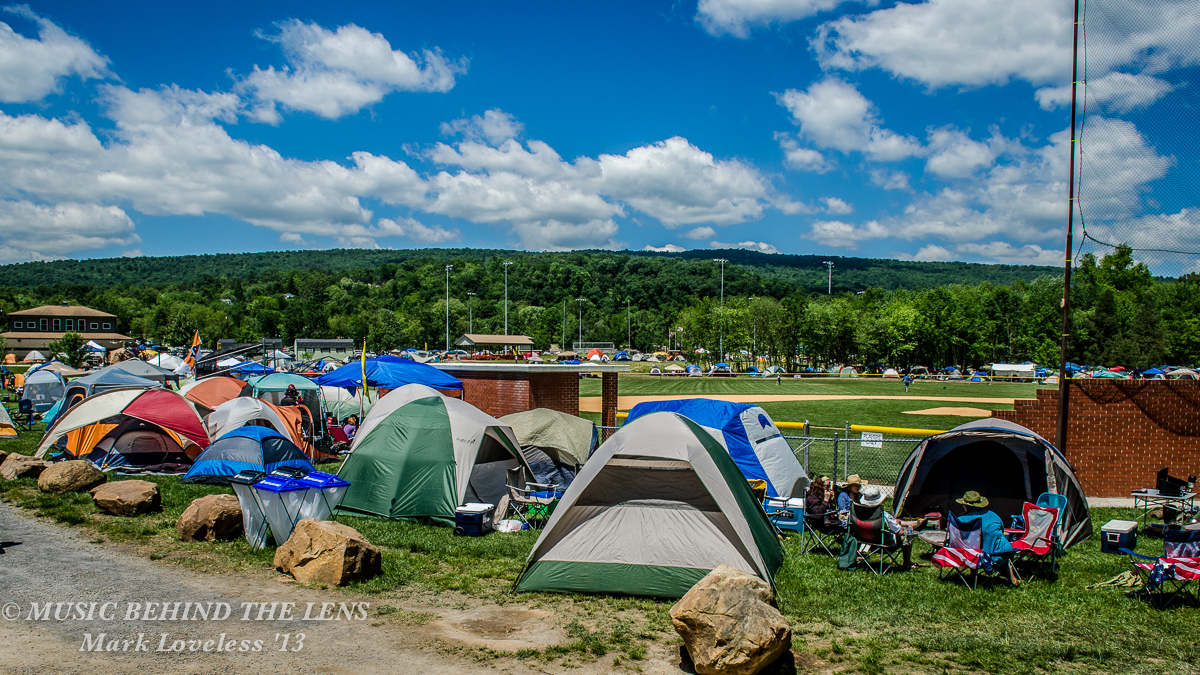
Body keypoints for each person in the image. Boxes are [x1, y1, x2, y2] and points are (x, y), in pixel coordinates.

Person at [954, 490, 1019, 585]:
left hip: (982, 558)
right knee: (992, 544)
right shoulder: (993, 515)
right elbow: (1001, 531)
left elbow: (958, 541)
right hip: (1004, 553)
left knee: (970, 546)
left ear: (965, 506)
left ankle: (973, 575)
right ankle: (1013, 579)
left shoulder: (961, 521)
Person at [859, 486, 926, 568]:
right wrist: (910, 530)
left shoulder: (858, 513)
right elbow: (899, 532)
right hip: (883, 544)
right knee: (908, 535)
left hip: (864, 541)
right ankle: (907, 563)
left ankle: (909, 523)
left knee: (894, 521)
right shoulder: (882, 514)